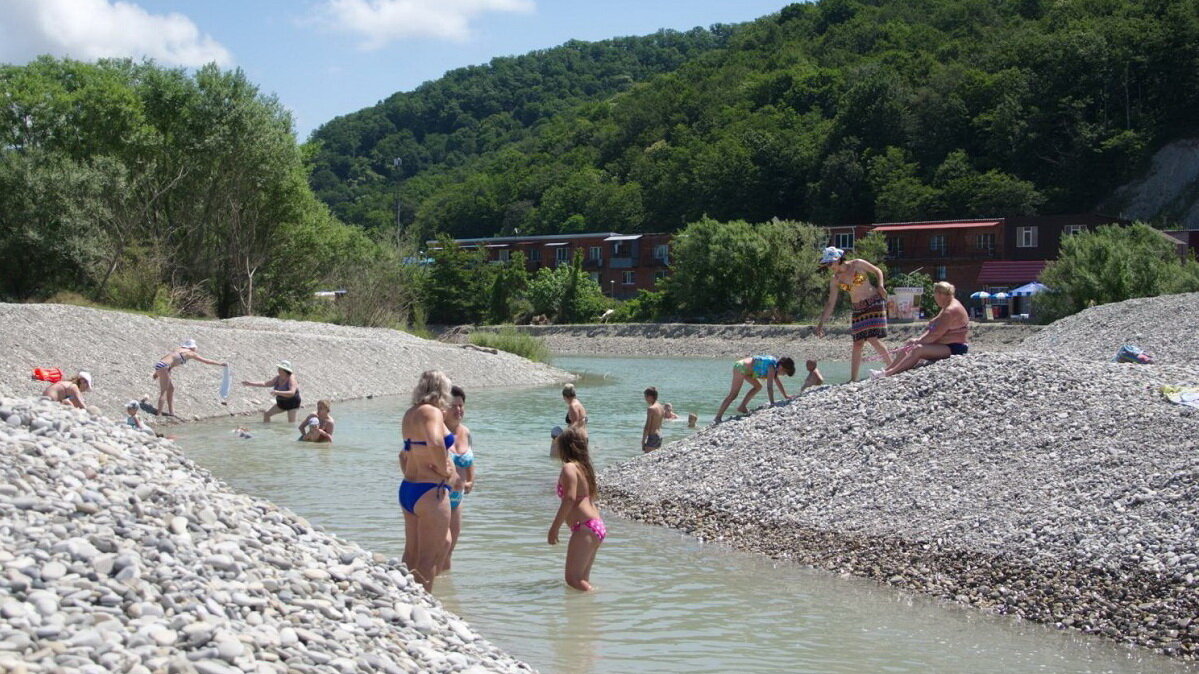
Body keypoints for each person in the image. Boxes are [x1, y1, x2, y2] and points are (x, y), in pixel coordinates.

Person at [399, 370, 456, 592]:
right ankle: (424, 608)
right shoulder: (432, 412)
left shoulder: (410, 413)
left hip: (409, 488)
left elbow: (404, 453)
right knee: (429, 557)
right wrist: (444, 470)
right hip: (430, 491)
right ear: (441, 390)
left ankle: (404, 598)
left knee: (411, 553)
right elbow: (434, 442)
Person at [815, 247, 893, 382]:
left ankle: (893, 368)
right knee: (857, 343)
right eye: (827, 264)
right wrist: (821, 323)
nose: (829, 266)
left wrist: (880, 285)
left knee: (872, 338)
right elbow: (830, 303)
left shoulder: (857, 264)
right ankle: (853, 379)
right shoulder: (836, 279)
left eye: (830, 263)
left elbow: (877, 271)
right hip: (857, 308)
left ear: (838, 259)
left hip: (873, 302)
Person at [872, 281, 970, 378]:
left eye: (935, 295)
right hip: (945, 344)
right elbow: (933, 328)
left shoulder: (949, 311)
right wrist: (918, 339)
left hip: (955, 348)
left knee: (918, 349)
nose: (935, 299)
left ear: (940, 295)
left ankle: (890, 373)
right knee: (911, 342)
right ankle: (887, 369)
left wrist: (919, 341)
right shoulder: (948, 305)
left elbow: (935, 335)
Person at [548, 426, 604, 591]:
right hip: (595, 526)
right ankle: (587, 614)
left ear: (566, 446)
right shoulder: (583, 467)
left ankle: (596, 600)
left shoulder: (569, 468)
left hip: (585, 527)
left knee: (573, 580)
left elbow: (570, 499)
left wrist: (554, 529)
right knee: (581, 579)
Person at [443, 386, 475, 573]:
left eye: (461, 405)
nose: (458, 410)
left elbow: (470, 460)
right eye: (453, 406)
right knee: (441, 545)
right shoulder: (438, 433)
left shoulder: (466, 432)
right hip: (440, 495)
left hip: (458, 497)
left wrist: (472, 480)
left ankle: (444, 590)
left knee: (450, 548)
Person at [152, 339, 225, 417]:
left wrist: (156, 372)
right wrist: (220, 363)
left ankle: (171, 412)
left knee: (171, 389)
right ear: (193, 347)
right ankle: (159, 414)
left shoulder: (178, 349)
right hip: (164, 367)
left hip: (161, 365)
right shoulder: (191, 353)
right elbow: (206, 361)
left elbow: (165, 359)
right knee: (164, 391)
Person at [713, 356, 796, 423]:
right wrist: (772, 403)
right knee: (733, 394)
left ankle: (742, 406)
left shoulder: (775, 366)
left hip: (747, 370)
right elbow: (769, 387)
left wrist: (785, 395)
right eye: (785, 373)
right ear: (781, 367)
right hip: (741, 368)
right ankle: (718, 417)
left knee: (758, 386)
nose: (784, 375)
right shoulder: (772, 367)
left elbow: (778, 382)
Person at [551, 383, 587, 459]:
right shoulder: (578, 403)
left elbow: (575, 424)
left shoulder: (573, 406)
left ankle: (555, 461)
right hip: (583, 437)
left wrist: (563, 436)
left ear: (565, 397)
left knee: (555, 432)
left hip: (576, 439)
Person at [642, 387, 665, 452]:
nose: (645, 399)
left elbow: (647, 427)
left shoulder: (651, 409)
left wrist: (643, 441)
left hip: (653, 436)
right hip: (659, 435)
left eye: (646, 396)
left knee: (647, 459)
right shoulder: (661, 407)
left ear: (650, 397)